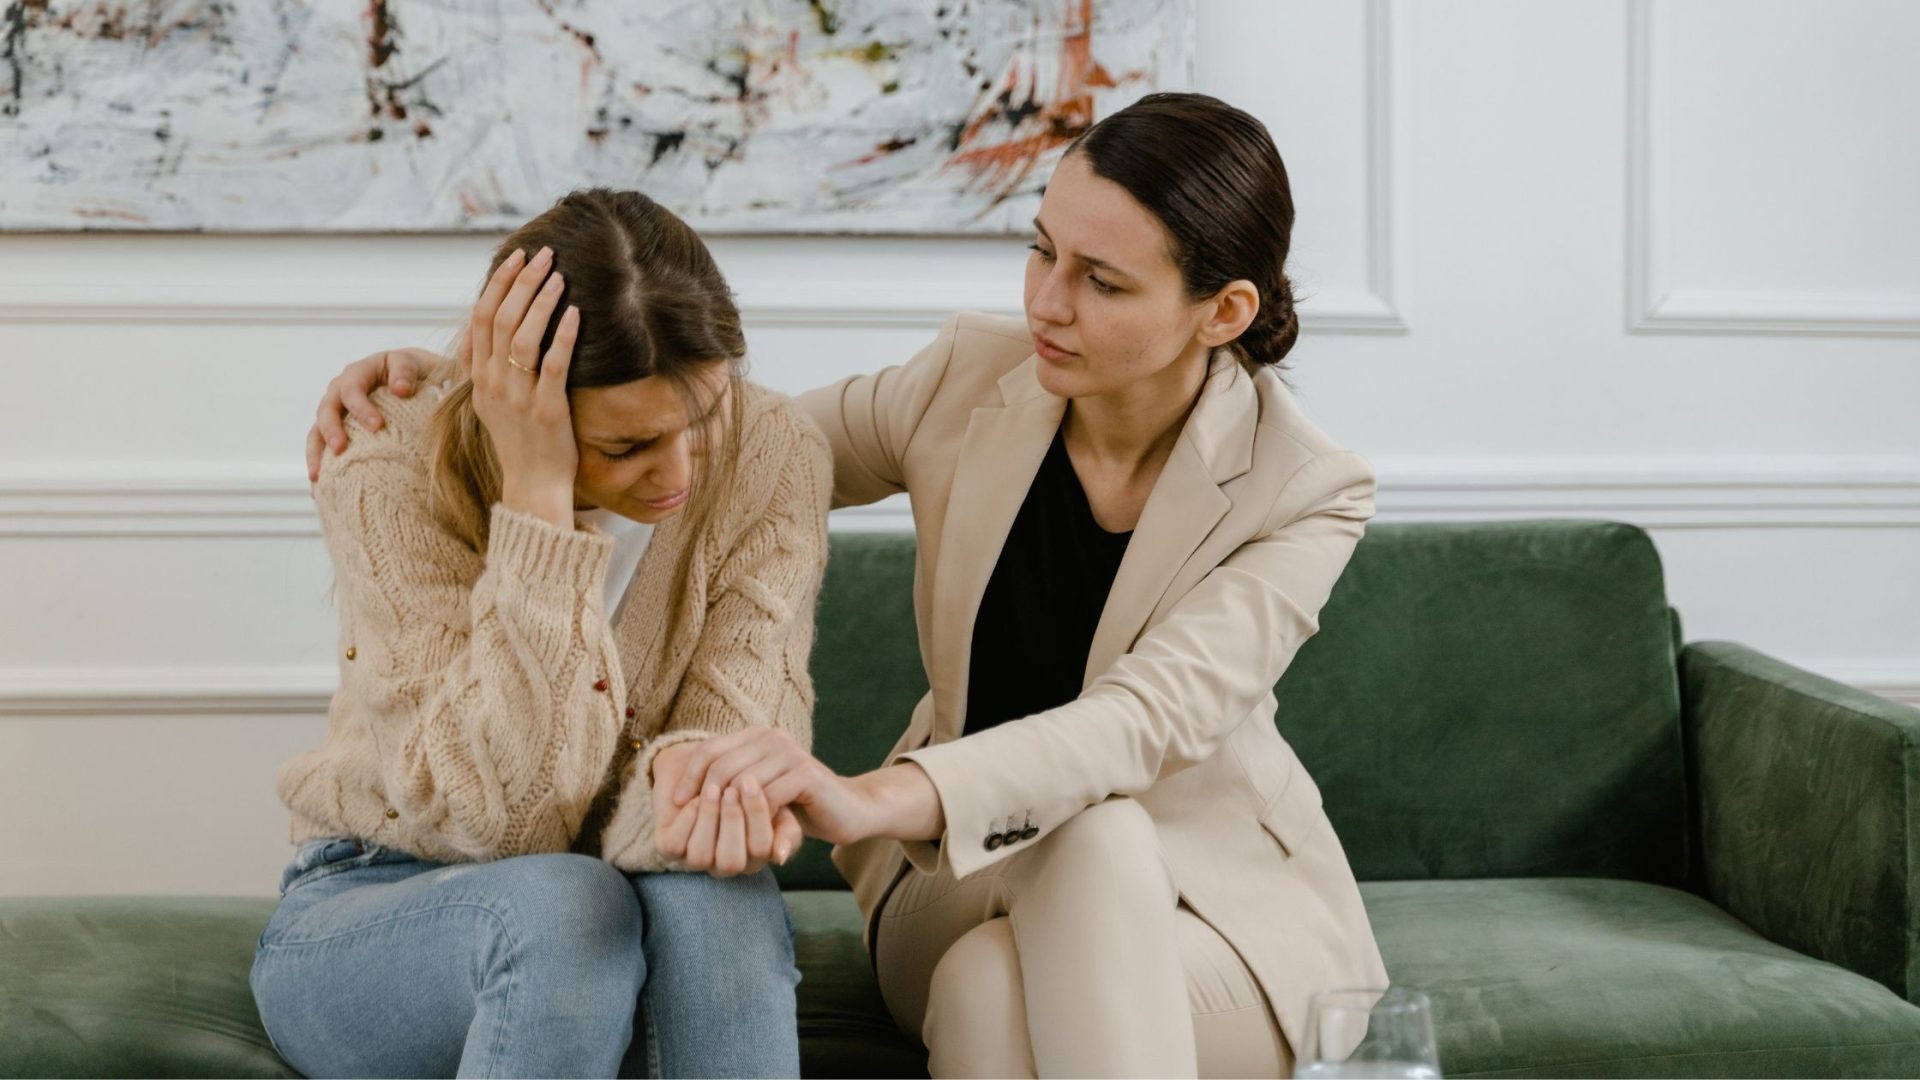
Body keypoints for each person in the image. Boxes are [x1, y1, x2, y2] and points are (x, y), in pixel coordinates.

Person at [310, 93, 1388, 1078]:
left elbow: (1138, 723)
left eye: (1101, 283)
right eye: (1040, 251)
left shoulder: (1309, 489)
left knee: (1051, 898)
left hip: (1210, 914)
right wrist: (477, 387)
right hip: (958, 881)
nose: (1047, 303)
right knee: (1017, 919)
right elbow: (713, 435)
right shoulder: (971, 381)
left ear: (1223, 311)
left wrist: (869, 798)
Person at [260, 187, 832, 1078]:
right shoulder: (386, 460)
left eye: (703, 420)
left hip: (622, 898)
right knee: (566, 905)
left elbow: (722, 788)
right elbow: (499, 820)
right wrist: (536, 499)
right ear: (522, 404)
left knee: (717, 894)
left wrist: (703, 796)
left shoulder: (773, 451)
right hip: (380, 895)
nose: (678, 474)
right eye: (626, 447)